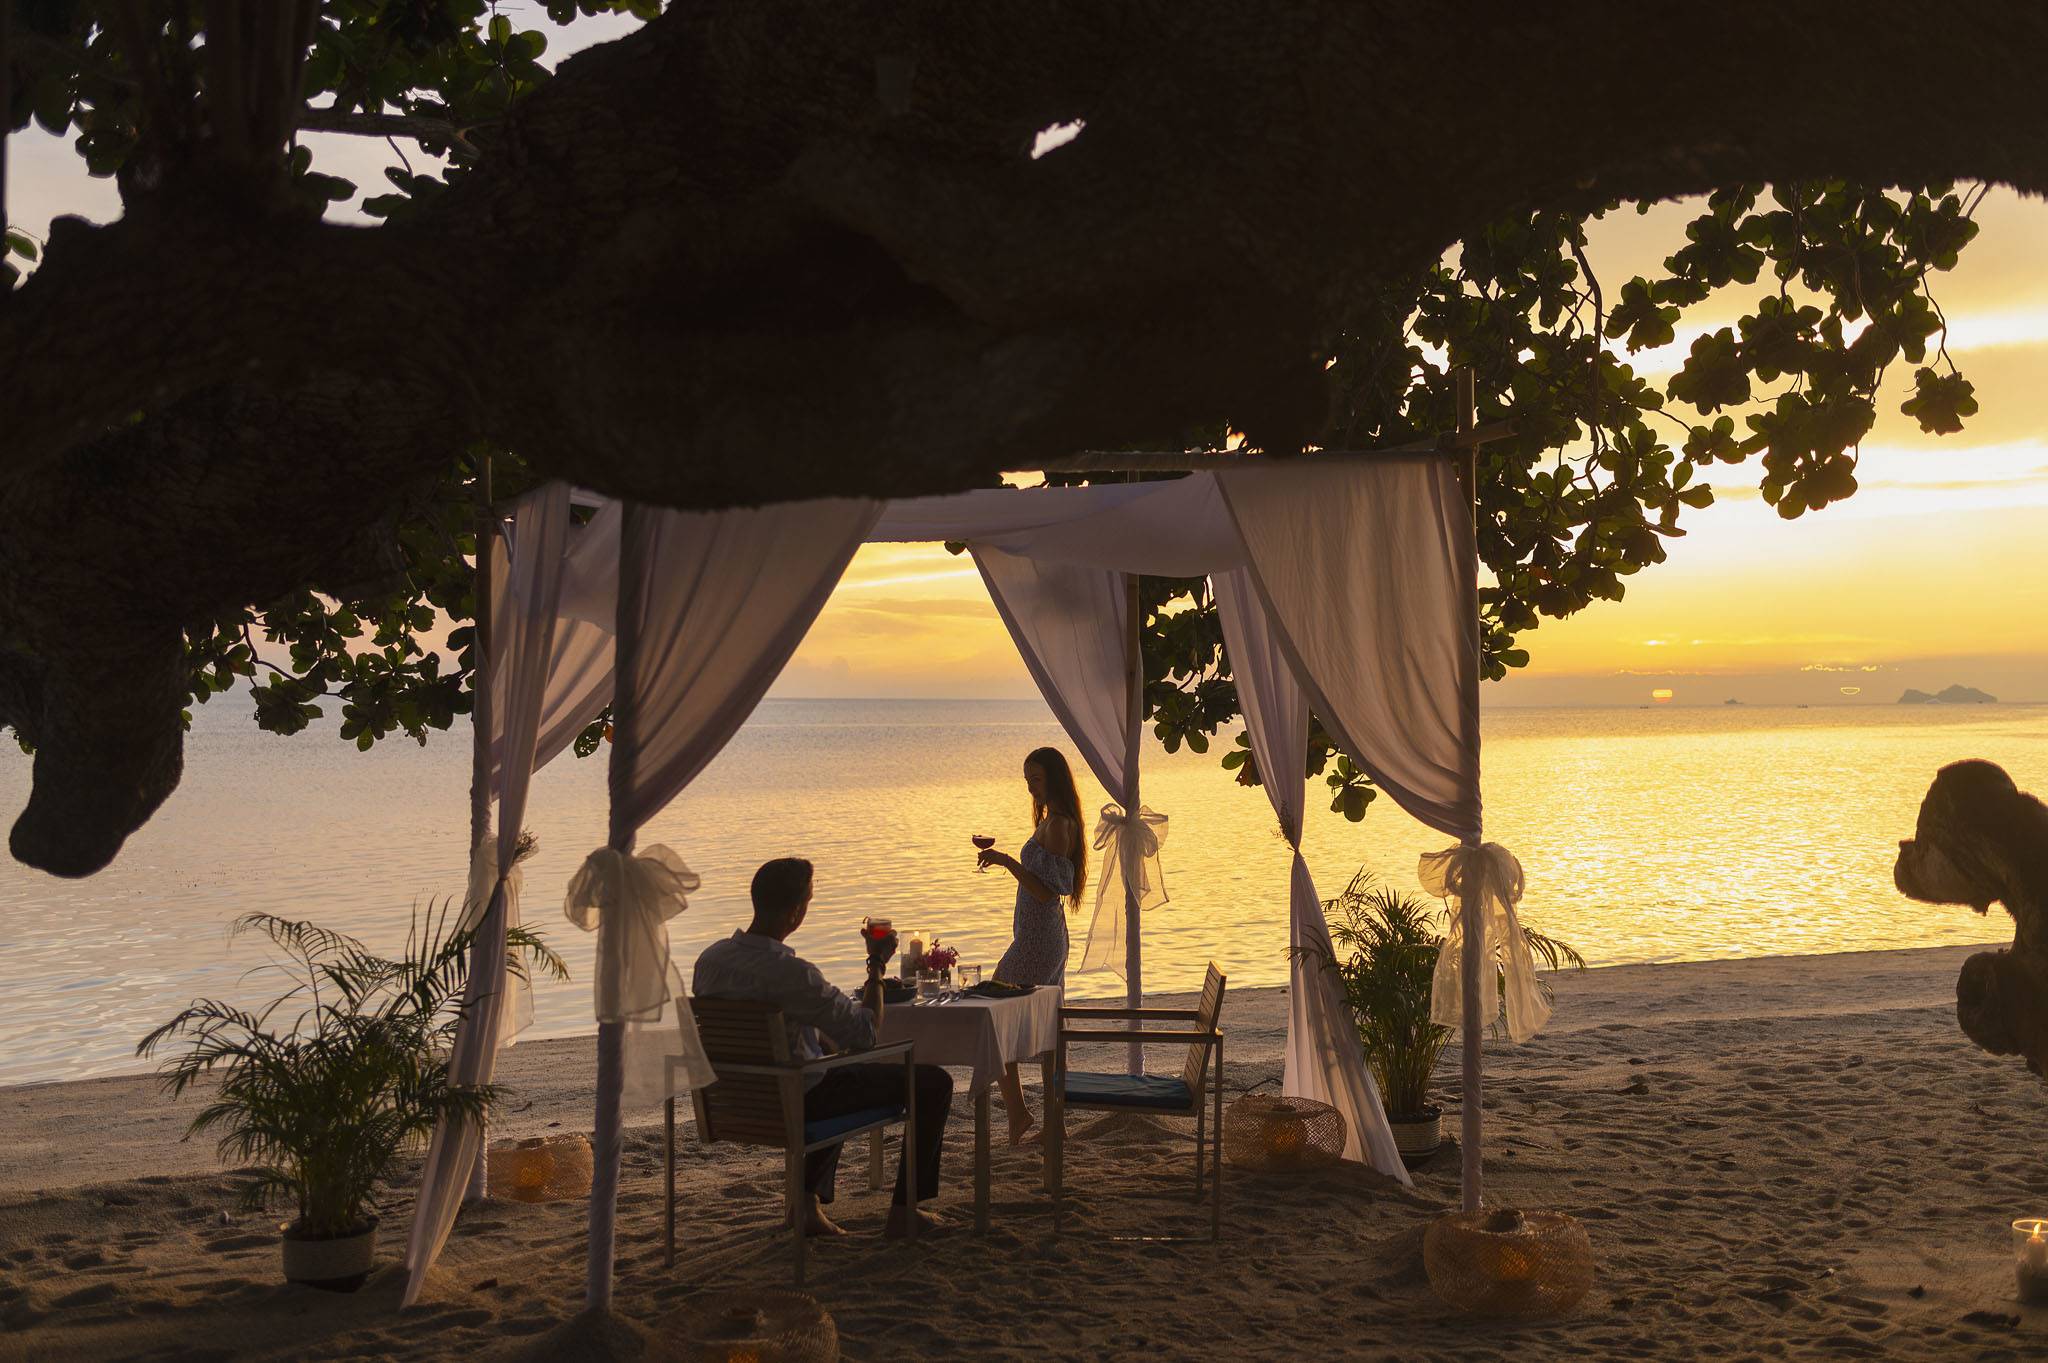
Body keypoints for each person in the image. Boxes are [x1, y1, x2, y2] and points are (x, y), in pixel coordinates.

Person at [693, 857, 952, 1238]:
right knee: (933, 1083)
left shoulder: (710, 961)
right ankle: (903, 1212)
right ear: (796, 912)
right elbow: (865, 1033)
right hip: (796, 1104)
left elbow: (767, 1029)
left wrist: (817, 1036)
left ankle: (806, 1206)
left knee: (829, 1065)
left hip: (731, 1101)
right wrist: (876, 964)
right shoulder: (795, 974)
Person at [976, 745, 1087, 1144]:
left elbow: (1047, 891)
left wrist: (1007, 861)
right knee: (1041, 1023)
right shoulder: (1052, 820)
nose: (1031, 788)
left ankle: (1020, 1114)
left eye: (1036, 780)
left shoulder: (1058, 825)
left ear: (1054, 779)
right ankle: (1043, 1120)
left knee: (992, 1011)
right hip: (1038, 936)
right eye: (1027, 780)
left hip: (1039, 940)